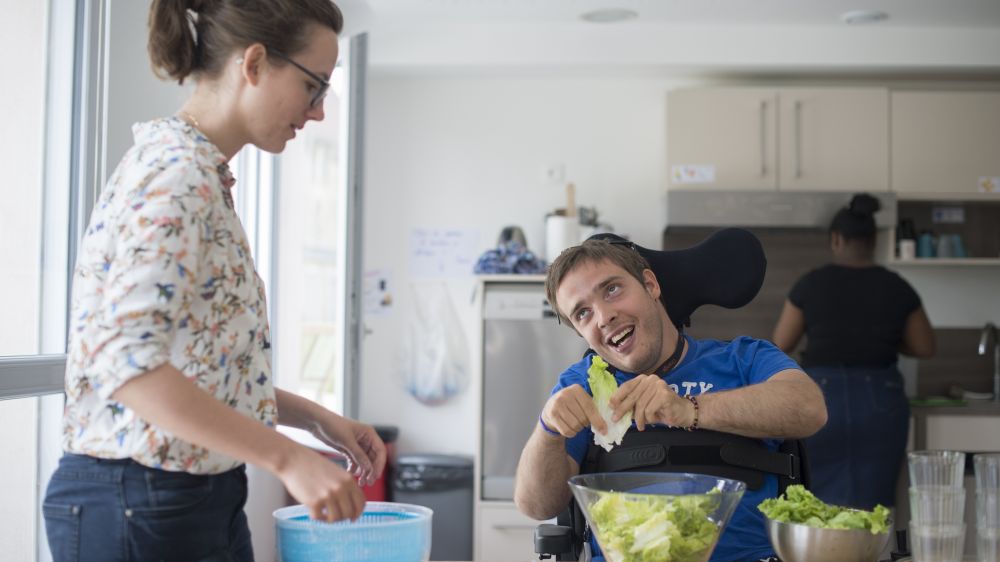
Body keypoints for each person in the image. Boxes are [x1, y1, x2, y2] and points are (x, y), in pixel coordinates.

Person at [42, 1, 386, 560]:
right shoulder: (177, 176)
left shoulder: (200, 175)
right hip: (138, 499)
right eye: (314, 86)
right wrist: (287, 457)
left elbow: (198, 369)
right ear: (253, 64)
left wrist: (318, 422)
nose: (319, 112)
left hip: (183, 495)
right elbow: (127, 365)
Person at [514, 238, 827, 562]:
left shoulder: (743, 358)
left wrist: (689, 408)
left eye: (611, 290)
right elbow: (536, 505)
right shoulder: (582, 384)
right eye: (582, 313)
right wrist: (548, 429)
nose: (603, 316)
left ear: (650, 285)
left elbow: (809, 408)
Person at [772, 193, 935, 510]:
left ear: (836, 239)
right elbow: (925, 346)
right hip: (881, 402)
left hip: (820, 397)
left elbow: (780, 343)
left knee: (815, 503)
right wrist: (887, 341)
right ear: (874, 240)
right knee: (872, 507)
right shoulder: (897, 286)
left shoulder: (811, 284)